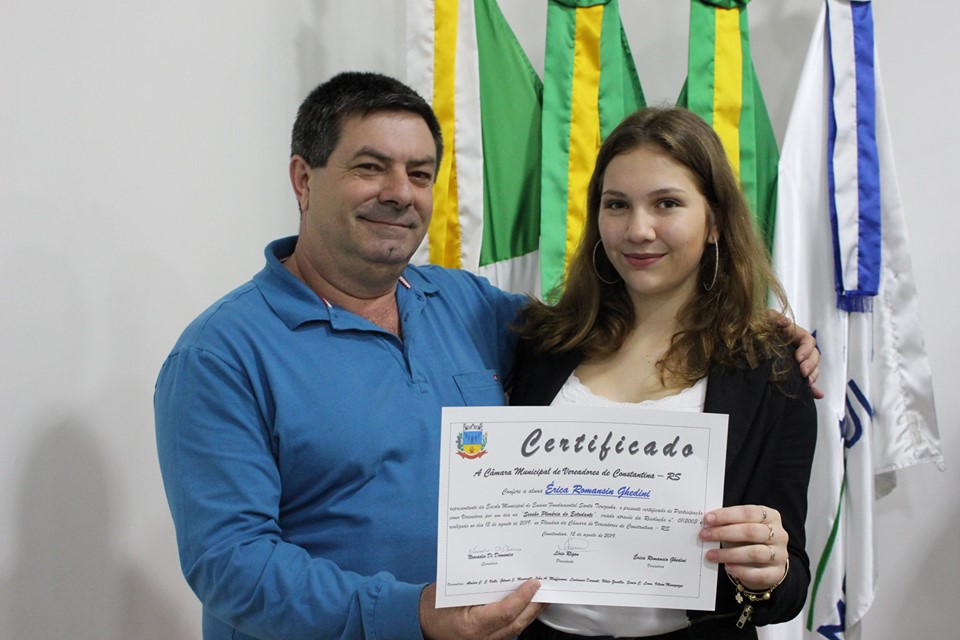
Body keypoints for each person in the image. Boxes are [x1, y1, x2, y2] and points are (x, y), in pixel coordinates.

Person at [154, 73, 819, 640]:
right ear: (304, 179)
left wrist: (757, 331)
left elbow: (780, 572)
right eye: (370, 167)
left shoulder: (472, 310)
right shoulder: (221, 355)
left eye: (420, 173)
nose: (400, 192)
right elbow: (229, 564)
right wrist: (414, 613)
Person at [509, 107, 817, 639]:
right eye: (616, 205)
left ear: (715, 221)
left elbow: (789, 588)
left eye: (667, 204)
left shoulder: (772, 372)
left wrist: (771, 569)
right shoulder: (540, 344)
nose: (638, 230)